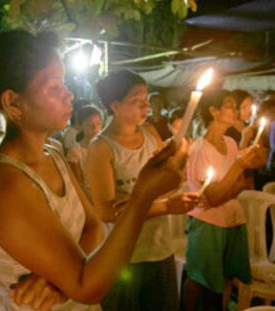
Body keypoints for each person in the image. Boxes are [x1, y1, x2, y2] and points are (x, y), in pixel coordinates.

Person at [0, 29, 189, 311]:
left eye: (65, 83)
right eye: (55, 87)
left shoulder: (53, 153)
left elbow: (93, 224)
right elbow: (89, 288)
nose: (69, 95)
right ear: (13, 102)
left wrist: (59, 283)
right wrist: (142, 196)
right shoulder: (3, 185)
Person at [85, 70, 199, 311]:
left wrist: (178, 160)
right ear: (115, 106)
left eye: (146, 99)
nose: (146, 106)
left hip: (159, 248)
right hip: (125, 256)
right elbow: (107, 212)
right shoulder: (102, 149)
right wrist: (166, 206)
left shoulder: (150, 134)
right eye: (137, 101)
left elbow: (162, 184)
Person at [183, 90, 268, 311]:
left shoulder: (230, 143)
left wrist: (230, 184)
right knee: (203, 281)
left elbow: (240, 185)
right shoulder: (201, 149)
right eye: (229, 104)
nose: (235, 110)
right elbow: (213, 196)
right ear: (214, 111)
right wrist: (238, 169)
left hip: (232, 219)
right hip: (209, 224)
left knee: (227, 278)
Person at [66, 105, 103, 185]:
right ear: (80, 126)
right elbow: (79, 183)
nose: (95, 128)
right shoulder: (75, 152)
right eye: (90, 125)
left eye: (99, 124)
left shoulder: (106, 147)